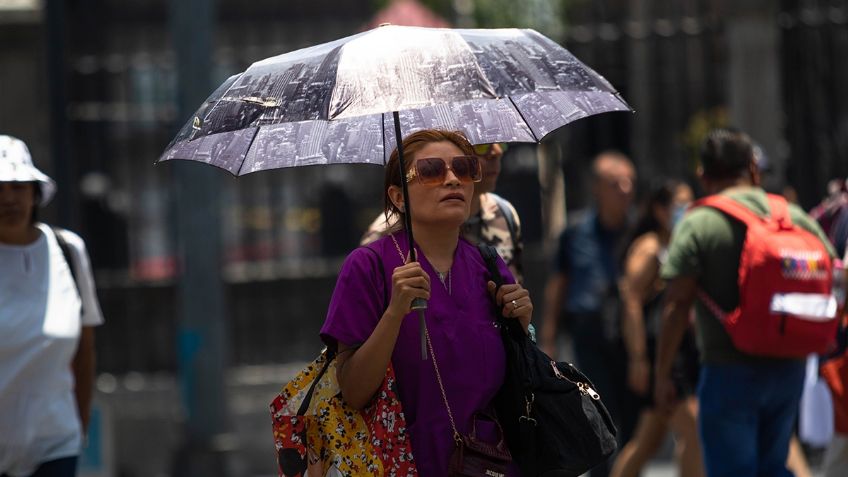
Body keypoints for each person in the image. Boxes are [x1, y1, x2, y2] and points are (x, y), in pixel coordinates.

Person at [320, 129, 534, 476]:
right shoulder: (367, 267)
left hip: (489, 463)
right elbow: (354, 393)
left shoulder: (490, 266)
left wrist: (522, 325)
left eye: (464, 169)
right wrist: (394, 312)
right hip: (401, 464)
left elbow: (514, 386)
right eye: (433, 170)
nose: (453, 179)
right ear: (398, 196)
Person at [654, 128, 836, 477]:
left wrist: (662, 374)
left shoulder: (698, 222)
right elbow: (834, 273)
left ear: (703, 176)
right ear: (753, 169)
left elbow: (676, 305)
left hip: (728, 370)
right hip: (789, 367)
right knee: (773, 466)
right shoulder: (792, 216)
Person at [0, 135, 104, 477]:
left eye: (17, 185)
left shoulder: (68, 250)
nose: (8, 198)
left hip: (56, 444)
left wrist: (79, 429)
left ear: (34, 192)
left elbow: (85, 351)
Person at [610, 179, 703, 477]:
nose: (686, 210)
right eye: (679, 205)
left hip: (678, 351)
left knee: (648, 441)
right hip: (660, 354)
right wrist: (638, 358)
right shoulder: (650, 247)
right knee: (696, 433)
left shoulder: (676, 243)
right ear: (660, 210)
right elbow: (631, 300)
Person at [362, 142, 524, 282]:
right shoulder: (383, 236)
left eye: (500, 142)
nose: (496, 151)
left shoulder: (504, 213)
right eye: (481, 146)